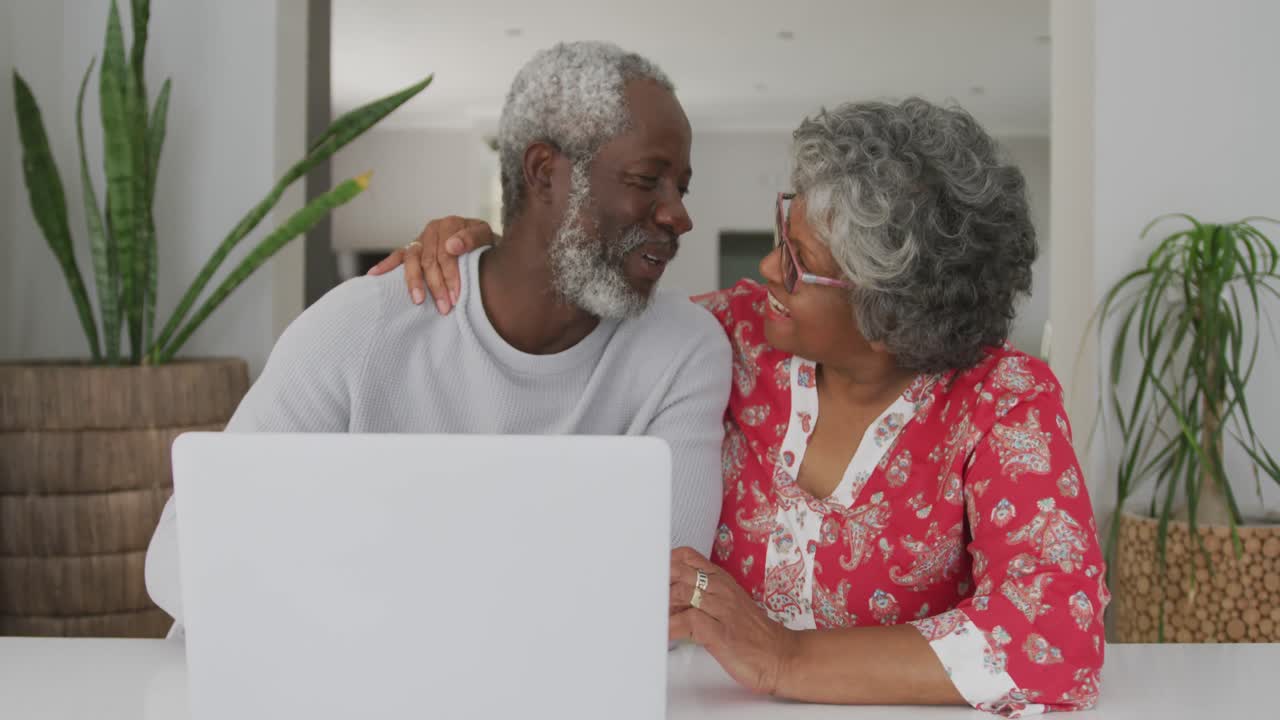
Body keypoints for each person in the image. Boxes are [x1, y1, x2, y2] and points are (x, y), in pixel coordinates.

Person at [373, 98, 1107, 715]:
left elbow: (1055, 641)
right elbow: (564, 347)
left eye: (799, 263)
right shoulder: (724, 335)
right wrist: (493, 261)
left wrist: (786, 659)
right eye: (781, 236)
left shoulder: (1004, 403)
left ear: (894, 315)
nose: (766, 269)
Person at [143, 41, 731, 629]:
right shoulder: (363, 325)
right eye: (647, 179)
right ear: (545, 172)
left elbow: (672, 599)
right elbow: (180, 554)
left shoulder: (682, 350)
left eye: (681, 186)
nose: (678, 215)